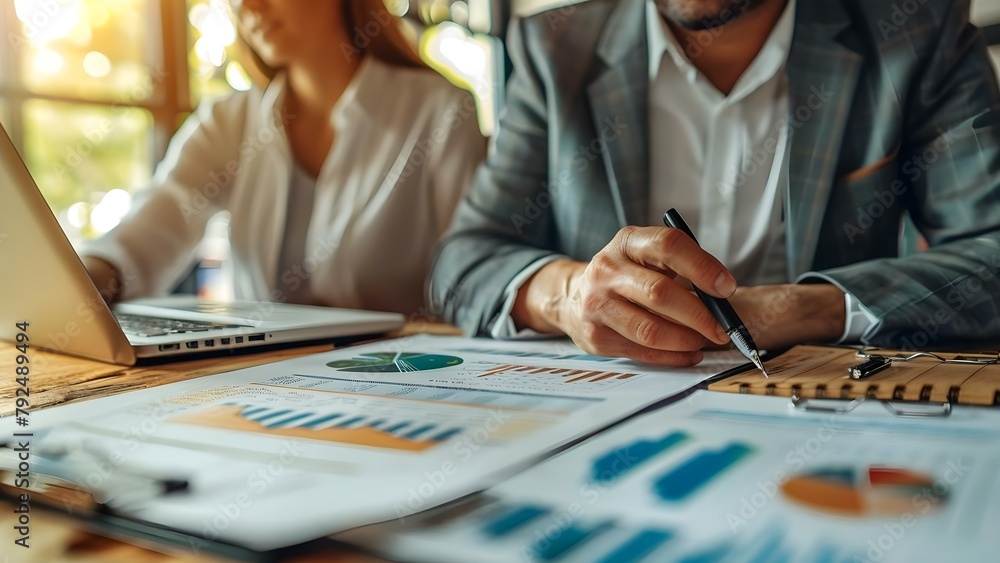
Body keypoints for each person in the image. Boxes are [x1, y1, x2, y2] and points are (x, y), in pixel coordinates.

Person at [431, 0, 1000, 365]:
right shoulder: (555, 48)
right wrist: (569, 294)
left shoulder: (919, 32)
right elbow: (463, 263)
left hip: (822, 404)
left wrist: (799, 308)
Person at [82, 0, 485, 316]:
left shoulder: (442, 113)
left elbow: (475, 272)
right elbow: (153, 226)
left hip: (402, 382)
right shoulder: (230, 122)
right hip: (264, 386)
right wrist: (86, 277)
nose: (248, 6)